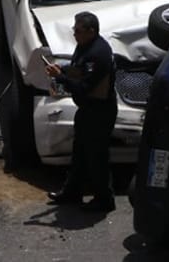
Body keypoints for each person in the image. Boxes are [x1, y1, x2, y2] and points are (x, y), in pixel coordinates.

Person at [44, 11, 117, 212]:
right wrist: (65, 69)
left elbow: (85, 87)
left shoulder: (98, 54)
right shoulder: (85, 47)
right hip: (87, 109)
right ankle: (72, 192)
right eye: (74, 29)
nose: (74, 34)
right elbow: (79, 67)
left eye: (78, 30)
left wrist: (61, 78)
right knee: (80, 153)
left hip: (99, 111)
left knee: (97, 157)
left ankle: (104, 199)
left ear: (91, 31)